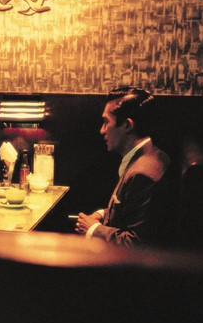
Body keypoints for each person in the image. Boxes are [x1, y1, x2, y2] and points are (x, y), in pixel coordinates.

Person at [74, 87, 174, 247]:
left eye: (106, 122)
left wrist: (93, 229)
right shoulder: (153, 155)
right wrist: (101, 214)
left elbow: (136, 242)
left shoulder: (143, 174)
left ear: (127, 125)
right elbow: (131, 212)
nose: (102, 130)